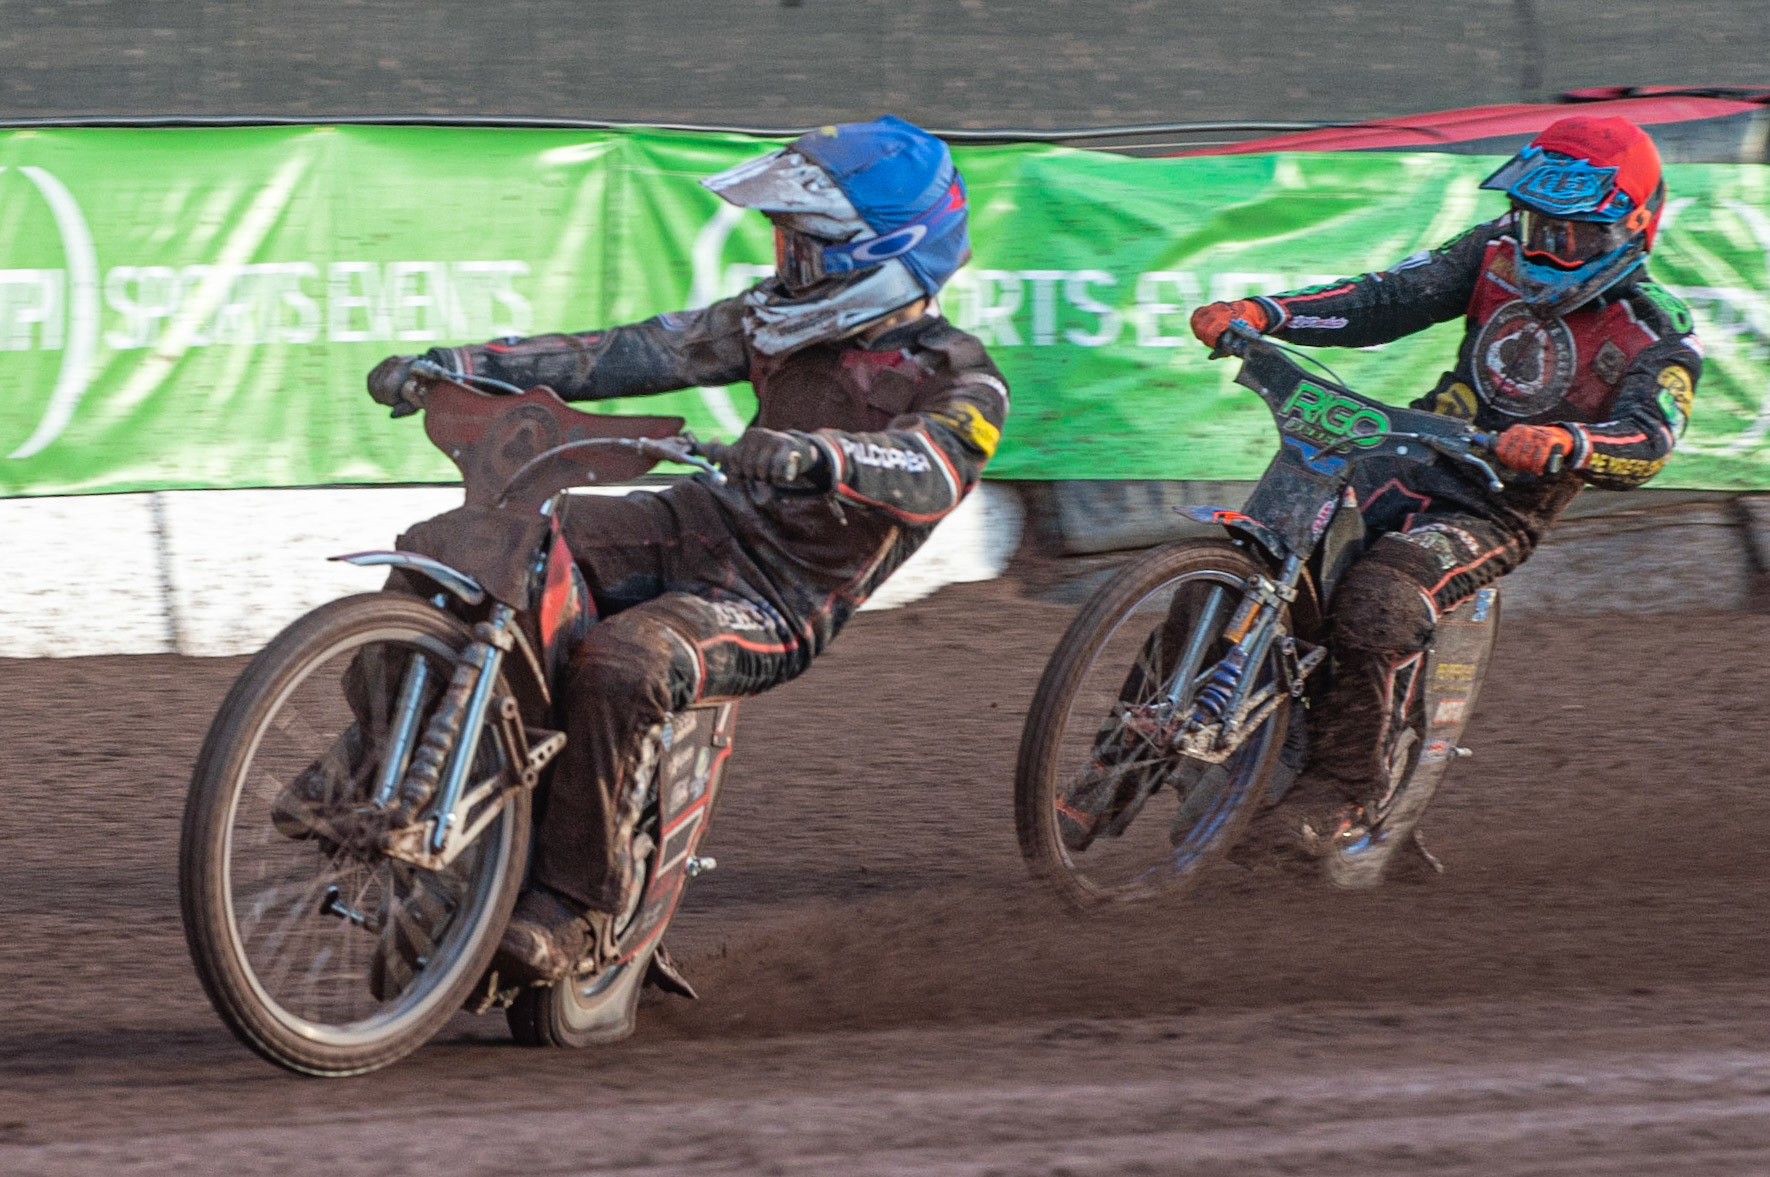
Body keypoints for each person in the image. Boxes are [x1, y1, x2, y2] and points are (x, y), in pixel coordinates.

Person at [364, 116, 1008, 983]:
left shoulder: (961, 376)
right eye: (786, 244)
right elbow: (624, 353)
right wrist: (459, 363)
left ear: (880, 254)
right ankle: (369, 771)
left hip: (781, 597)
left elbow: (930, 466)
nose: (787, 265)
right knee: (455, 546)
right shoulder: (763, 321)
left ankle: (578, 910)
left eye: (806, 248)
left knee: (626, 660)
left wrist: (823, 455)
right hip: (693, 519)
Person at [1186, 115, 1701, 848]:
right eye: (1532, 223)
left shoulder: (1656, 331)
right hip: (1411, 451)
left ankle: (1347, 793)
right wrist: (1266, 312)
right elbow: (1387, 298)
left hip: (1496, 504)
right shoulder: (1493, 250)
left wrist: (1564, 441)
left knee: (1380, 600)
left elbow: (1649, 442)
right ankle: (1140, 726)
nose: (1541, 248)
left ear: (1631, 229)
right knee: (1249, 557)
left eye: (1570, 235)